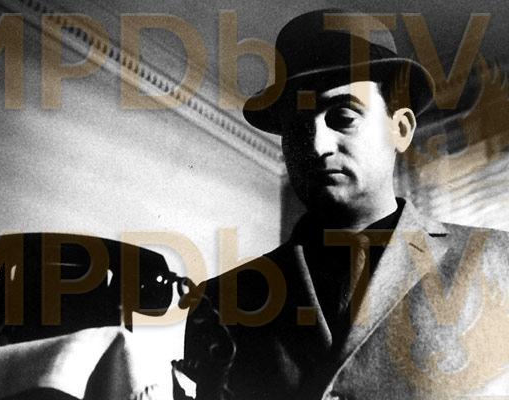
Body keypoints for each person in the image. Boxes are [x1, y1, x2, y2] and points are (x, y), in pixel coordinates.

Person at [182, 8, 509, 400]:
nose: (317, 145)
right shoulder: (222, 301)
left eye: (343, 117)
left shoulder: (498, 261)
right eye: (297, 126)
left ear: (400, 128)